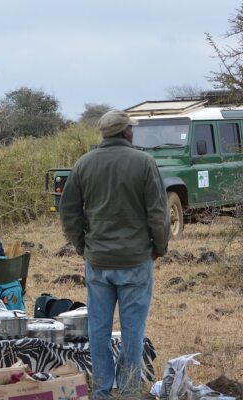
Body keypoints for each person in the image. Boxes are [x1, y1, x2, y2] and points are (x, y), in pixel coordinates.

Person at [59, 110, 170, 399]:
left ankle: (103, 390)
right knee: (133, 331)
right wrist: (159, 247)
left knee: (98, 329)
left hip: (98, 262)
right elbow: (158, 213)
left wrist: (83, 246)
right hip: (135, 260)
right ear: (125, 132)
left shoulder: (84, 164)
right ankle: (131, 389)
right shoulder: (144, 163)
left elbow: (68, 212)